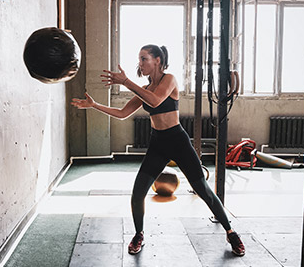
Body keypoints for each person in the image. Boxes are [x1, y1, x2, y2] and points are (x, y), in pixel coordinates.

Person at [70, 44, 245, 257]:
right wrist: (94, 105)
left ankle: (231, 232)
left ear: (158, 60)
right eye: (139, 59)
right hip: (158, 143)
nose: (140, 63)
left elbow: (155, 100)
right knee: (137, 193)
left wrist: (125, 81)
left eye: (144, 58)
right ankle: (139, 234)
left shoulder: (169, 80)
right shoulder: (146, 88)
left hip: (178, 141)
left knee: (204, 190)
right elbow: (123, 113)